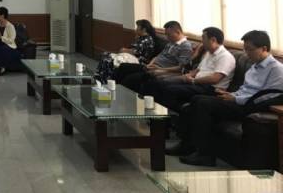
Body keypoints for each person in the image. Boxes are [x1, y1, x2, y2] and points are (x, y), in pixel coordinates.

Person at [168, 30, 283, 166]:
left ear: (264, 48)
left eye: (250, 49)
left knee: (202, 104)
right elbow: (244, 89)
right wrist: (231, 94)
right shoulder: (254, 67)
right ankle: (187, 145)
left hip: (250, 106)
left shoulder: (277, 69)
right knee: (196, 101)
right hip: (239, 100)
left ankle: (205, 155)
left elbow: (269, 96)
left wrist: (236, 99)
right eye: (245, 49)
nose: (247, 53)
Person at [144, 27, 235, 110]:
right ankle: (154, 111)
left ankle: (172, 116)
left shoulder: (225, 56)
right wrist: (187, 76)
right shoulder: (209, 53)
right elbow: (197, 70)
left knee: (170, 89)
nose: (202, 41)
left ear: (213, 40)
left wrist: (193, 81)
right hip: (197, 83)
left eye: (203, 38)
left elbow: (215, 79)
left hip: (210, 89)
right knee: (160, 83)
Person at [118, 21, 193, 93]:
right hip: (151, 66)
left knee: (130, 80)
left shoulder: (185, 46)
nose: (167, 37)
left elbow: (180, 68)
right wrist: (150, 64)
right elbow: (158, 56)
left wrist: (160, 69)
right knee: (123, 67)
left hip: (161, 70)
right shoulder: (171, 43)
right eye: (166, 34)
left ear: (177, 32)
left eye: (168, 34)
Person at [0, 7, 20, 77]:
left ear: (2, 15)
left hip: (8, 44)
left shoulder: (10, 26)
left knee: (3, 49)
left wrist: (1, 37)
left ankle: (2, 67)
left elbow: (11, 40)